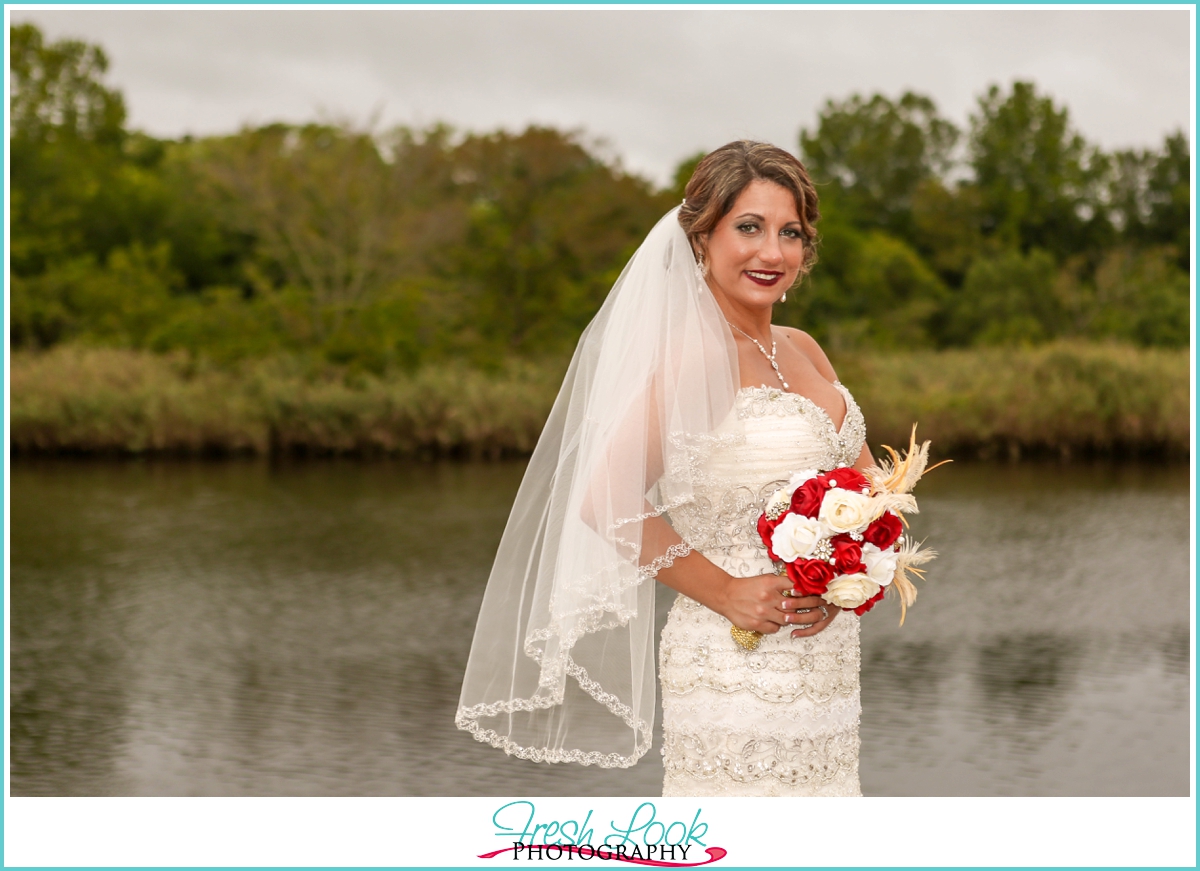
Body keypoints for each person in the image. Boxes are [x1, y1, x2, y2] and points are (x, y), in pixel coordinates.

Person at [457, 141, 869, 796]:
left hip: (824, 660)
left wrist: (854, 570)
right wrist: (726, 590)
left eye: (790, 232)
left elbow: (868, 485)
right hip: (737, 662)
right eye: (749, 227)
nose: (772, 252)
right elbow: (605, 499)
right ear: (701, 238)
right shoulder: (692, 360)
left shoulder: (804, 349)